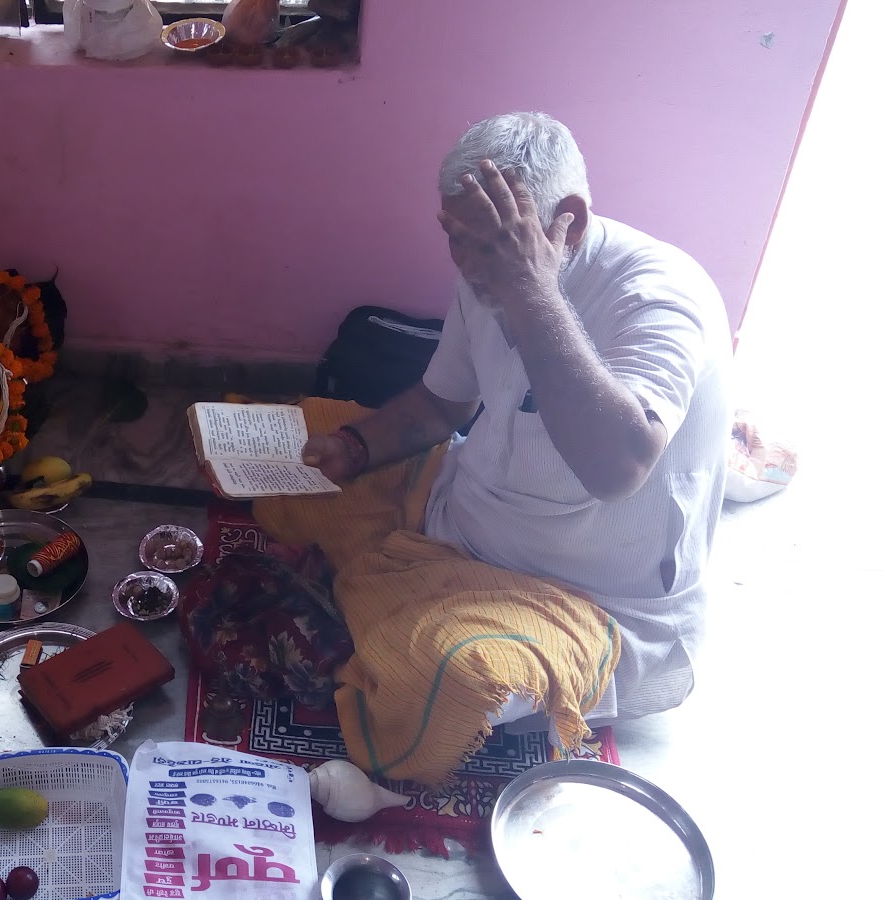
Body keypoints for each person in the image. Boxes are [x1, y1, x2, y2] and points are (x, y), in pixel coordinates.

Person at [301, 111, 730, 724]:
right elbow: (442, 404)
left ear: (569, 222)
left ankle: (410, 633)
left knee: (446, 684)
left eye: (490, 245)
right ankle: (403, 604)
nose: (467, 263)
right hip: (462, 518)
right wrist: (353, 447)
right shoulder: (482, 271)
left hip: (586, 598)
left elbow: (618, 468)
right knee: (297, 452)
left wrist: (530, 288)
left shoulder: (660, 295)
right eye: (453, 235)